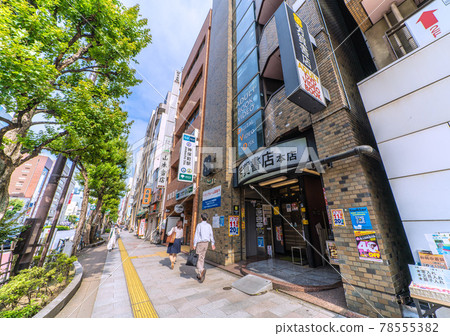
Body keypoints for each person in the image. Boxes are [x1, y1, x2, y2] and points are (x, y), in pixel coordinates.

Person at [193, 213, 215, 283]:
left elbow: (196, 234)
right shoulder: (209, 226)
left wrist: (194, 244)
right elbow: (211, 234)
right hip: (206, 243)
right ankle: (200, 275)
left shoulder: (199, 225)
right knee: (202, 257)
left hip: (200, 243)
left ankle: (201, 270)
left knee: (198, 258)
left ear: (201, 218)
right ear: (207, 218)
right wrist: (212, 244)